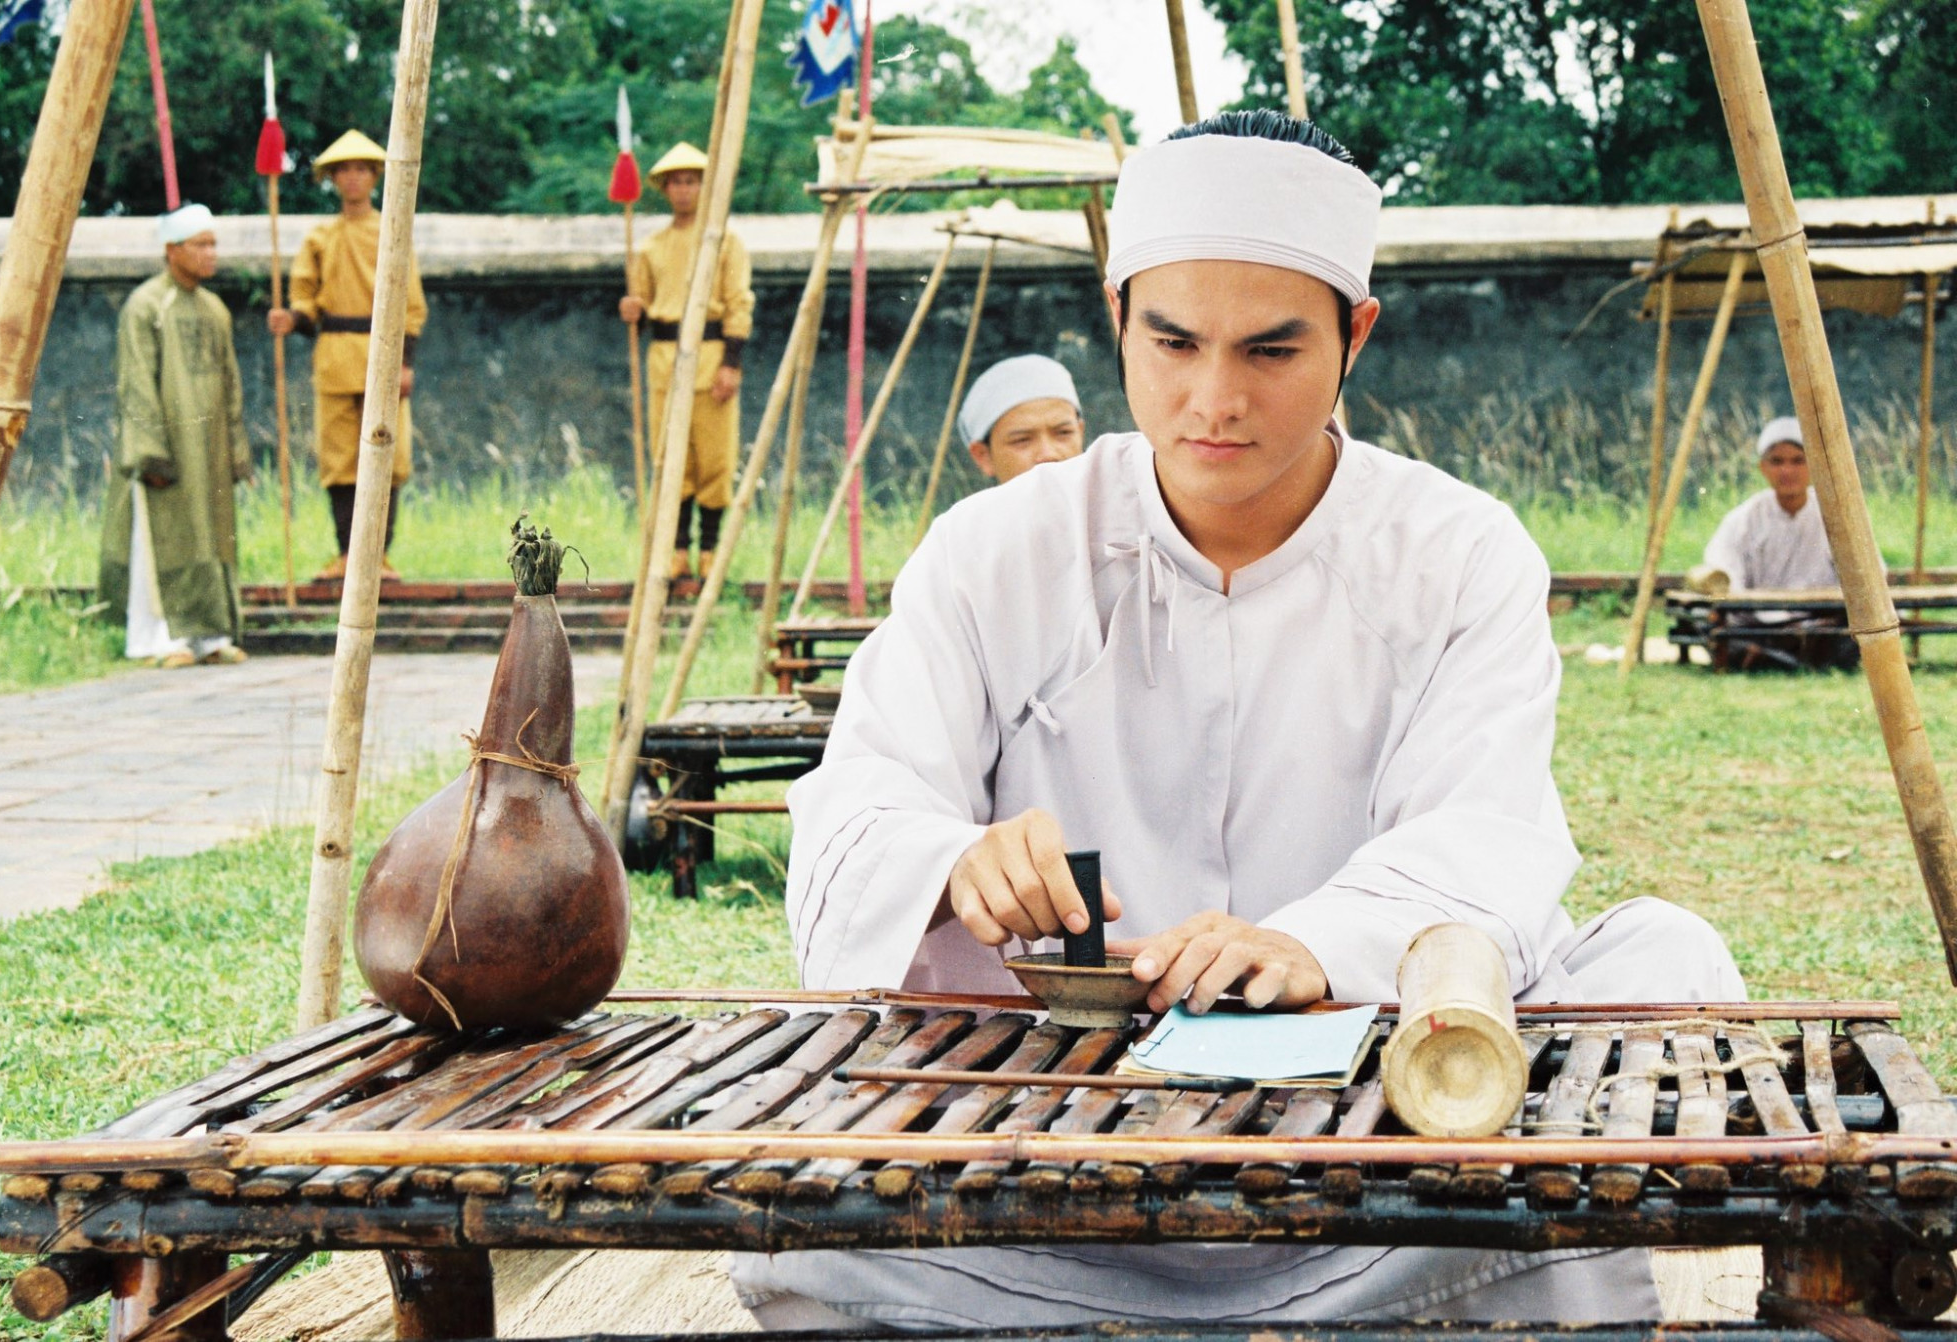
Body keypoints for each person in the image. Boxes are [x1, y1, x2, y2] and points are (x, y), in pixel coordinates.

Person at [735, 111, 1745, 1329]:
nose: (1211, 400)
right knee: (803, 1251)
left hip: (1387, 1153)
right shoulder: (993, 552)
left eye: (1269, 350)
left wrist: (1317, 945)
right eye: (1171, 341)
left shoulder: (1457, 554)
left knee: (1663, 965)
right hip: (1054, 1161)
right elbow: (858, 811)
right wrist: (952, 863)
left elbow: (1485, 839)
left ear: (1352, 336)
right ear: (1116, 316)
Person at [267, 129, 428, 582]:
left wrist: (405, 362)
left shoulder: (393, 231)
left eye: (361, 170)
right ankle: (346, 554)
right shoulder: (320, 237)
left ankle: (378, 556)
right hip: (336, 354)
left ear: (374, 177)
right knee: (339, 459)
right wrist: (292, 320)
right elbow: (305, 299)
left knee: (389, 455)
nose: (353, 179)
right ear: (334, 179)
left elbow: (411, 304)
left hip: (383, 353)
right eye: (344, 171)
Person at [97, 205, 252, 668]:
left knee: (212, 536)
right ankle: (159, 639)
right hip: (168, 450)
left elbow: (231, 386)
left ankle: (210, 636)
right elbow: (136, 384)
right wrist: (150, 453)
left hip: (209, 449)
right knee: (163, 537)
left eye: (213, 244)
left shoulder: (215, 309)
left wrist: (237, 453)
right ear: (172, 251)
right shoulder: (146, 306)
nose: (211, 254)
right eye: (201, 245)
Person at [616, 142, 755, 580]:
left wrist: (732, 362)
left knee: (714, 459)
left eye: (691, 181)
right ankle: (677, 550)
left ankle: (710, 551)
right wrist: (631, 311)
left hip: (712, 358)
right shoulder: (650, 247)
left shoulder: (725, 241)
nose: (683, 190)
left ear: (703, 186)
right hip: (665, 361)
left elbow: (738, 303)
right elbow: (642, 305)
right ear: (665, 189)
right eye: (676, 182)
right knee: (671, 458)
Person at [1694, 416, 1856, 670]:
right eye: (1777, 461)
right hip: (1759, 624)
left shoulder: (1836, 516)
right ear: (1763, 468)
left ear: (1813, 465)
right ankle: (1784, 657)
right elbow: (1724, 574)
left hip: (1818, 621)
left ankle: (1776, 658)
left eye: (1798, 461)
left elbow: (1865, 576)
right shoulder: (1744, 519)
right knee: (1703, 619)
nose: (1787, 471)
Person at [959, 354, 1085, 482]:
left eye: (1064, 433)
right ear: (983, 456)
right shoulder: (971, 503)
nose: (1048, 455)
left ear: (1080, 433)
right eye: (1022, 440)